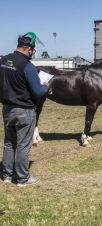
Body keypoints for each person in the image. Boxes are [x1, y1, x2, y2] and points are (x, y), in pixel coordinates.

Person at [0, 32, 49, 186]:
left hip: (7, 108)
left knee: (9, 143)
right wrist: (45, 87)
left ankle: (6, 175)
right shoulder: (28, 66)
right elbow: (38, 91)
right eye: (33, 50)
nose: (33, 53)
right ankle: (22, 178)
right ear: (29, 48)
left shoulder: (3, 60)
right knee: (23, 145)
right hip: (24, 110)